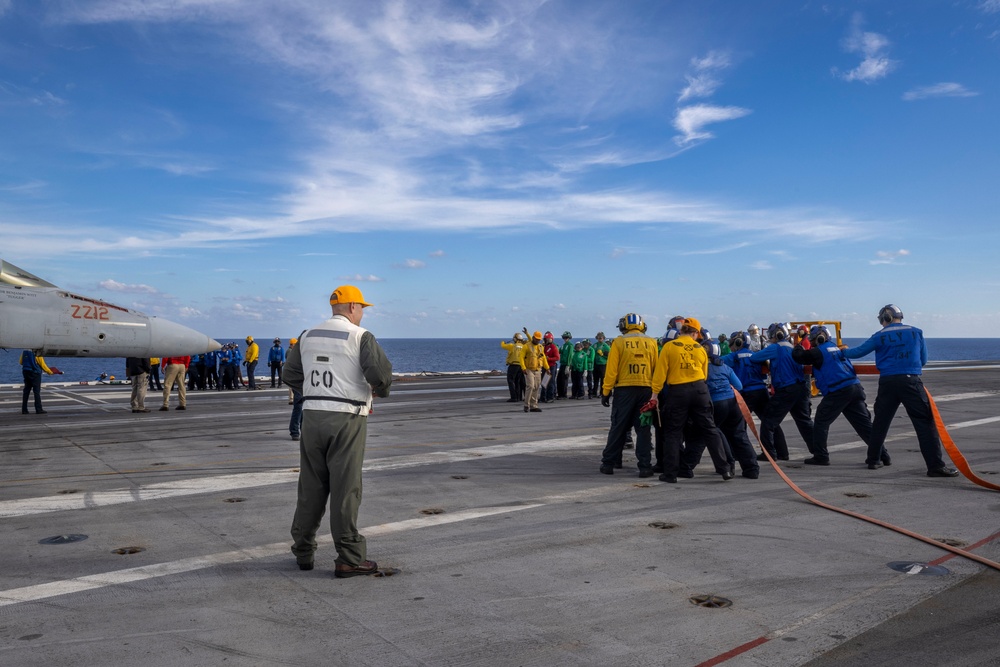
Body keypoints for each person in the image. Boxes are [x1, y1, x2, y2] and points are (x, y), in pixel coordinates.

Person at [283, 284, 393, 577]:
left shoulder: (307, 335)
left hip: (312, 417)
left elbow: (290, 374)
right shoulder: (360, 337)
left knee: (311, 487)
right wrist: (378, 391)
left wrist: (312, 393)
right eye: (362, 309)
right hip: (347, 418)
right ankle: (349, 557)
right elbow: (380, 374)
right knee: (345, 489)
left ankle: (303, 551)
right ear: (354, 307)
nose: (362, 315)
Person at [842, 305, 958, 477]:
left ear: (884, 318)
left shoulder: (879, 335)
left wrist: (841, 351)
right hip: (910, 381)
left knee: (880, 422)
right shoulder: (916, 332)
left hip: (887, 382)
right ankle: (935, 466)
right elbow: (923, 360)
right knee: (924, 423)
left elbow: (857, 353)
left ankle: (874, 460)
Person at [651, 318, 732, 483]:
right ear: (695, 333)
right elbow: (704, 374)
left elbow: (660, 374)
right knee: (710, 430)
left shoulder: (669, 347)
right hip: (699, 391)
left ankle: (670, 473)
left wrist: (654, 395)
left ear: (681, 331)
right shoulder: (699, 349)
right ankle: (724, 469)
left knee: (673, 433)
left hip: (678, 391)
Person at [791, 325, 874, 466]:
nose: (811, 342)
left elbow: (799, 357)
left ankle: (821, 456)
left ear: (819, 338)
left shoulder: (819, 351)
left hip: (839, 390)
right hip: (855, 387)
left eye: (812, 339)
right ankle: (882, 454)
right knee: (863, 425)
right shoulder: (837, 348)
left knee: (821, 421)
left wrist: (799, 344)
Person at [683, 338, 759, 479]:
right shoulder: (725, 367)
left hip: (715, 405)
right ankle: (751, 469)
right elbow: (739, 386)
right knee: (739, 435)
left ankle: (687, 466)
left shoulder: (701, 369)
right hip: (732, 403)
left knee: (703, 435)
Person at [599, 313, 658, 477]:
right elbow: (656, 370)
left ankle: (609, 463)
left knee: (618, 427)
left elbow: (611, 371)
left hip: (624, 390)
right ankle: (645, 467)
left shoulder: (618, 342)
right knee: (644, 429)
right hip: (646, 389)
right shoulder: (652, 342)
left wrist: (605, 392)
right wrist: (656, 394)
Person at [749, 323, 815, 461]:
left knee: (768, 421)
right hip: (800, 388)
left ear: (775, 335)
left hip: (786, 389)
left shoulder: (776, 348)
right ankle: (819, 452)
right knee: (804, 422)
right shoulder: (793, 347)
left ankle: (770, 453)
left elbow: (754, 358)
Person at [723, 331, 789, 460]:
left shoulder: (733, 357)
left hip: (747, 393)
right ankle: (782, 452)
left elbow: (716, 361)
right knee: (770, 422)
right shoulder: (756, 355)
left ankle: (739, 454)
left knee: (737, 424)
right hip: (761, 391)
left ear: (736, 343)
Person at [20, 349, 57, 414]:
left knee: (26, 391)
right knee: (36, 391)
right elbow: (43, 365)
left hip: (26, 372)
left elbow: (21, 362)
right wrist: (50, 372)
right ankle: (38, 409)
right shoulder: (37, 352)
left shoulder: (24, 351)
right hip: (35, 373)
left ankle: (24, 409)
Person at [520, 329, 549, 412]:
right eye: (536, 339)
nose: (537, 340)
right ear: (533, 338)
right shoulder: (526, 346)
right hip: (529, 369)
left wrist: (547, 368)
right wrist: (523, 368)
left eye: (539, 339)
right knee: (530, 386)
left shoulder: (540, 347)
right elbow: (521, 357)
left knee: (536, 387)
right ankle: (526, 405)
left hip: (538, 370)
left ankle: (533, 406)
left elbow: (543, 358)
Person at [501, 333, 526, 402]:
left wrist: (503, 342)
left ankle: (514, 397)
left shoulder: (512, 346)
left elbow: (503, 346)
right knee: (517, 382)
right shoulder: (523, 346)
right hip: (521, 366)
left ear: (515, 339)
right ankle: (518, 397)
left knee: (510, 381)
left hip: (513, 365)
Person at [541, 332, 561, 402]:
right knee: (544, 382)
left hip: (551, 366)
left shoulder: (553, 347)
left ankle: (550, 397)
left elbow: (557, 357)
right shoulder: (544, 347)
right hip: (545, 367)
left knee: (550, 382)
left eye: (546, 339)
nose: (544, 341)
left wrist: (548, 358)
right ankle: (543, 397)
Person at [592, 332, 610, 398]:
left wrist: (602, 354)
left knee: (602, 379)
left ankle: (602, 393)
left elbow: (610, 355)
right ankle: (594, 392)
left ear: (603, 338)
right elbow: (591, 351)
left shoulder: (606, 346)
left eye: (601, 338)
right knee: (595, 379)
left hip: (602, 364)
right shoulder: (595, 345)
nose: (600, 339)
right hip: (596, 364)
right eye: (598, 338)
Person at [557, 331, 574, 399]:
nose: (565, 339)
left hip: (566, 364)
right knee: (559, 379)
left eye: (566, 337)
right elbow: (559, 351)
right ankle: (560, 394)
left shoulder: (570, 345)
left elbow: (570, 356)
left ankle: (564, 394)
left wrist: (568, 365)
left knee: (564, 380)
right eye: (564, 337)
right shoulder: (563, 345)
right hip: (562, 363)